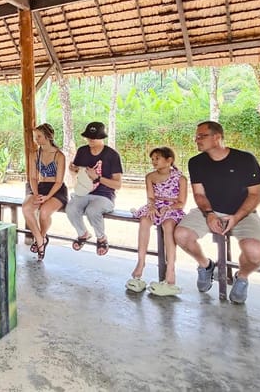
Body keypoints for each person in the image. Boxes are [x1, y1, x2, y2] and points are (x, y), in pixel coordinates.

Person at [174, 121, 260, 304]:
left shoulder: (245, 159)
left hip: (243, 213)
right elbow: (199, 194)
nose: (197, 140)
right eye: (196, 136)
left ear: (217, 137)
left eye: (202, 136)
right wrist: (209, 214)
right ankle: (206, 265)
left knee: (255, 254)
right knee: (181, 234)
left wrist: (237, 217)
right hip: (209, 211)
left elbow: (256, 195)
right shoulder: (196, 162)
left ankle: (242, 276)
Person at [127, 147, 187, 296]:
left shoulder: (181, 178)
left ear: (169, 160)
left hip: (173, 208)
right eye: (152, 159)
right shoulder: (150, 176)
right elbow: (151, 197)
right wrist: (152, 206)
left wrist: (169, 208)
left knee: (168, 226)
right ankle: (141, 262)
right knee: (145, 221)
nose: (154, 161)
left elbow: (181, 202)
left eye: (157, 158)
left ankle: (171, 269)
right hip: (156, 206)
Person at [65, 121, 123, 257]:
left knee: (93, 210)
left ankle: (101, 238)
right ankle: (83, 233)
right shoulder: (82, 151)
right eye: (89, 136)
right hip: (83, 192)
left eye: (95, 136)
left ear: (102, 137)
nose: (91, 139)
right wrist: (72, 169)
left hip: (105, 195)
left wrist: (98, 178)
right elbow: (77, 173)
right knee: (71, 208)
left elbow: (118, 185)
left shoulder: (112, 155)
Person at [22, 123, 68, 261]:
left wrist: (48, 197)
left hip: (56, 189)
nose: (36, 139)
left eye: (39, 136)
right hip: (40, 186)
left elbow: (59, 181)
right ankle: (40, 240)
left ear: (49, 136)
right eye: (35, 136)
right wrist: (36, 194)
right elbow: (33, 177)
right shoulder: (34, 154)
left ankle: (41, 237)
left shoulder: (59, 155)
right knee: (26, 208)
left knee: (44, 212)